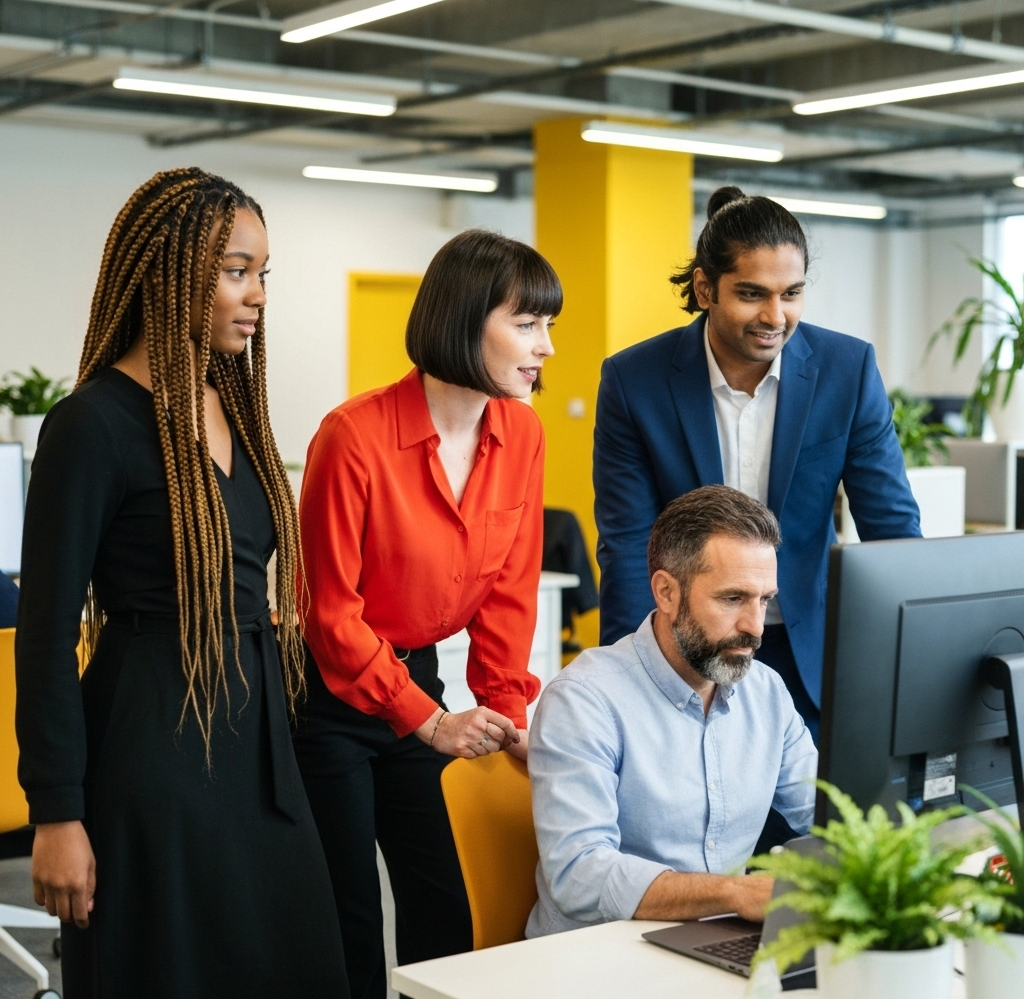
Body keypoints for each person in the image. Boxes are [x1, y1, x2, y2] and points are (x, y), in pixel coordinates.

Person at [15, 168, 349, 998]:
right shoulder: (91, 424)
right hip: (150, 749)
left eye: (263, 273)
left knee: (294, 962)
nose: (257, 294)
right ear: (168, 272)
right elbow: (47, 635)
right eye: (236, 271)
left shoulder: (232, 407)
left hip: (257, 749)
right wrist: (56, 813)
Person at [294, 229, 560, 999]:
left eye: (548, 326)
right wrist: (429, 721)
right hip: (327, 697)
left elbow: (510, 592)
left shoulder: (522, 433)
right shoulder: (353, 436)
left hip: (417, 683)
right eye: (527, 324)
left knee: (447, 905)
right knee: (347, 920)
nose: (545, 347)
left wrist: (504, 712)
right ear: (465, 320)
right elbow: (329, 613)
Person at [594, 186, 921, 740]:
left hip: (806, 649)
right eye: (751, 294)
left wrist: (917, 655)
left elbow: (891, 528)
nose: (775, 316)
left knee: (812, 797)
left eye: (791, 293)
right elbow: (628, 543)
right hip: (687, 647)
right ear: (705, 288)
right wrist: (629, 677)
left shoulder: (847, 370)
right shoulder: (635, 381)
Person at [526, 485, 817, 937]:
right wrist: (734, 893)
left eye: (764, 599)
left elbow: (829, 813)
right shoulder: (584, 699)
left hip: (714, 942)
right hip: (595, 956)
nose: (755, 626)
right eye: (732, 599)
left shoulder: (766, 693)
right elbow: (578, 875)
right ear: (666, 592)